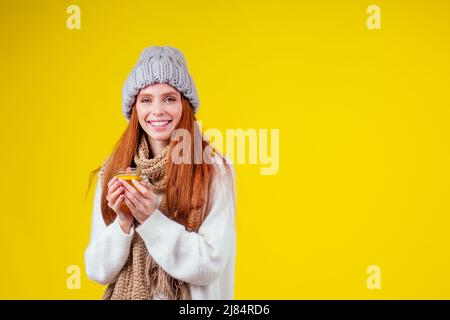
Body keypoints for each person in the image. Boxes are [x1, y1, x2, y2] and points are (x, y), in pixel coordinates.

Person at [84, 45, 236, 300]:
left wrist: (149, 219)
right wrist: (123, 223)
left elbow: (211, 263)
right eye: (146, 100)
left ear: (184, 105)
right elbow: (98, 270)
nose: (157, 110)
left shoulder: (213, 169)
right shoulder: (114, 172)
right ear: (134, 109)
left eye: (169, 98)